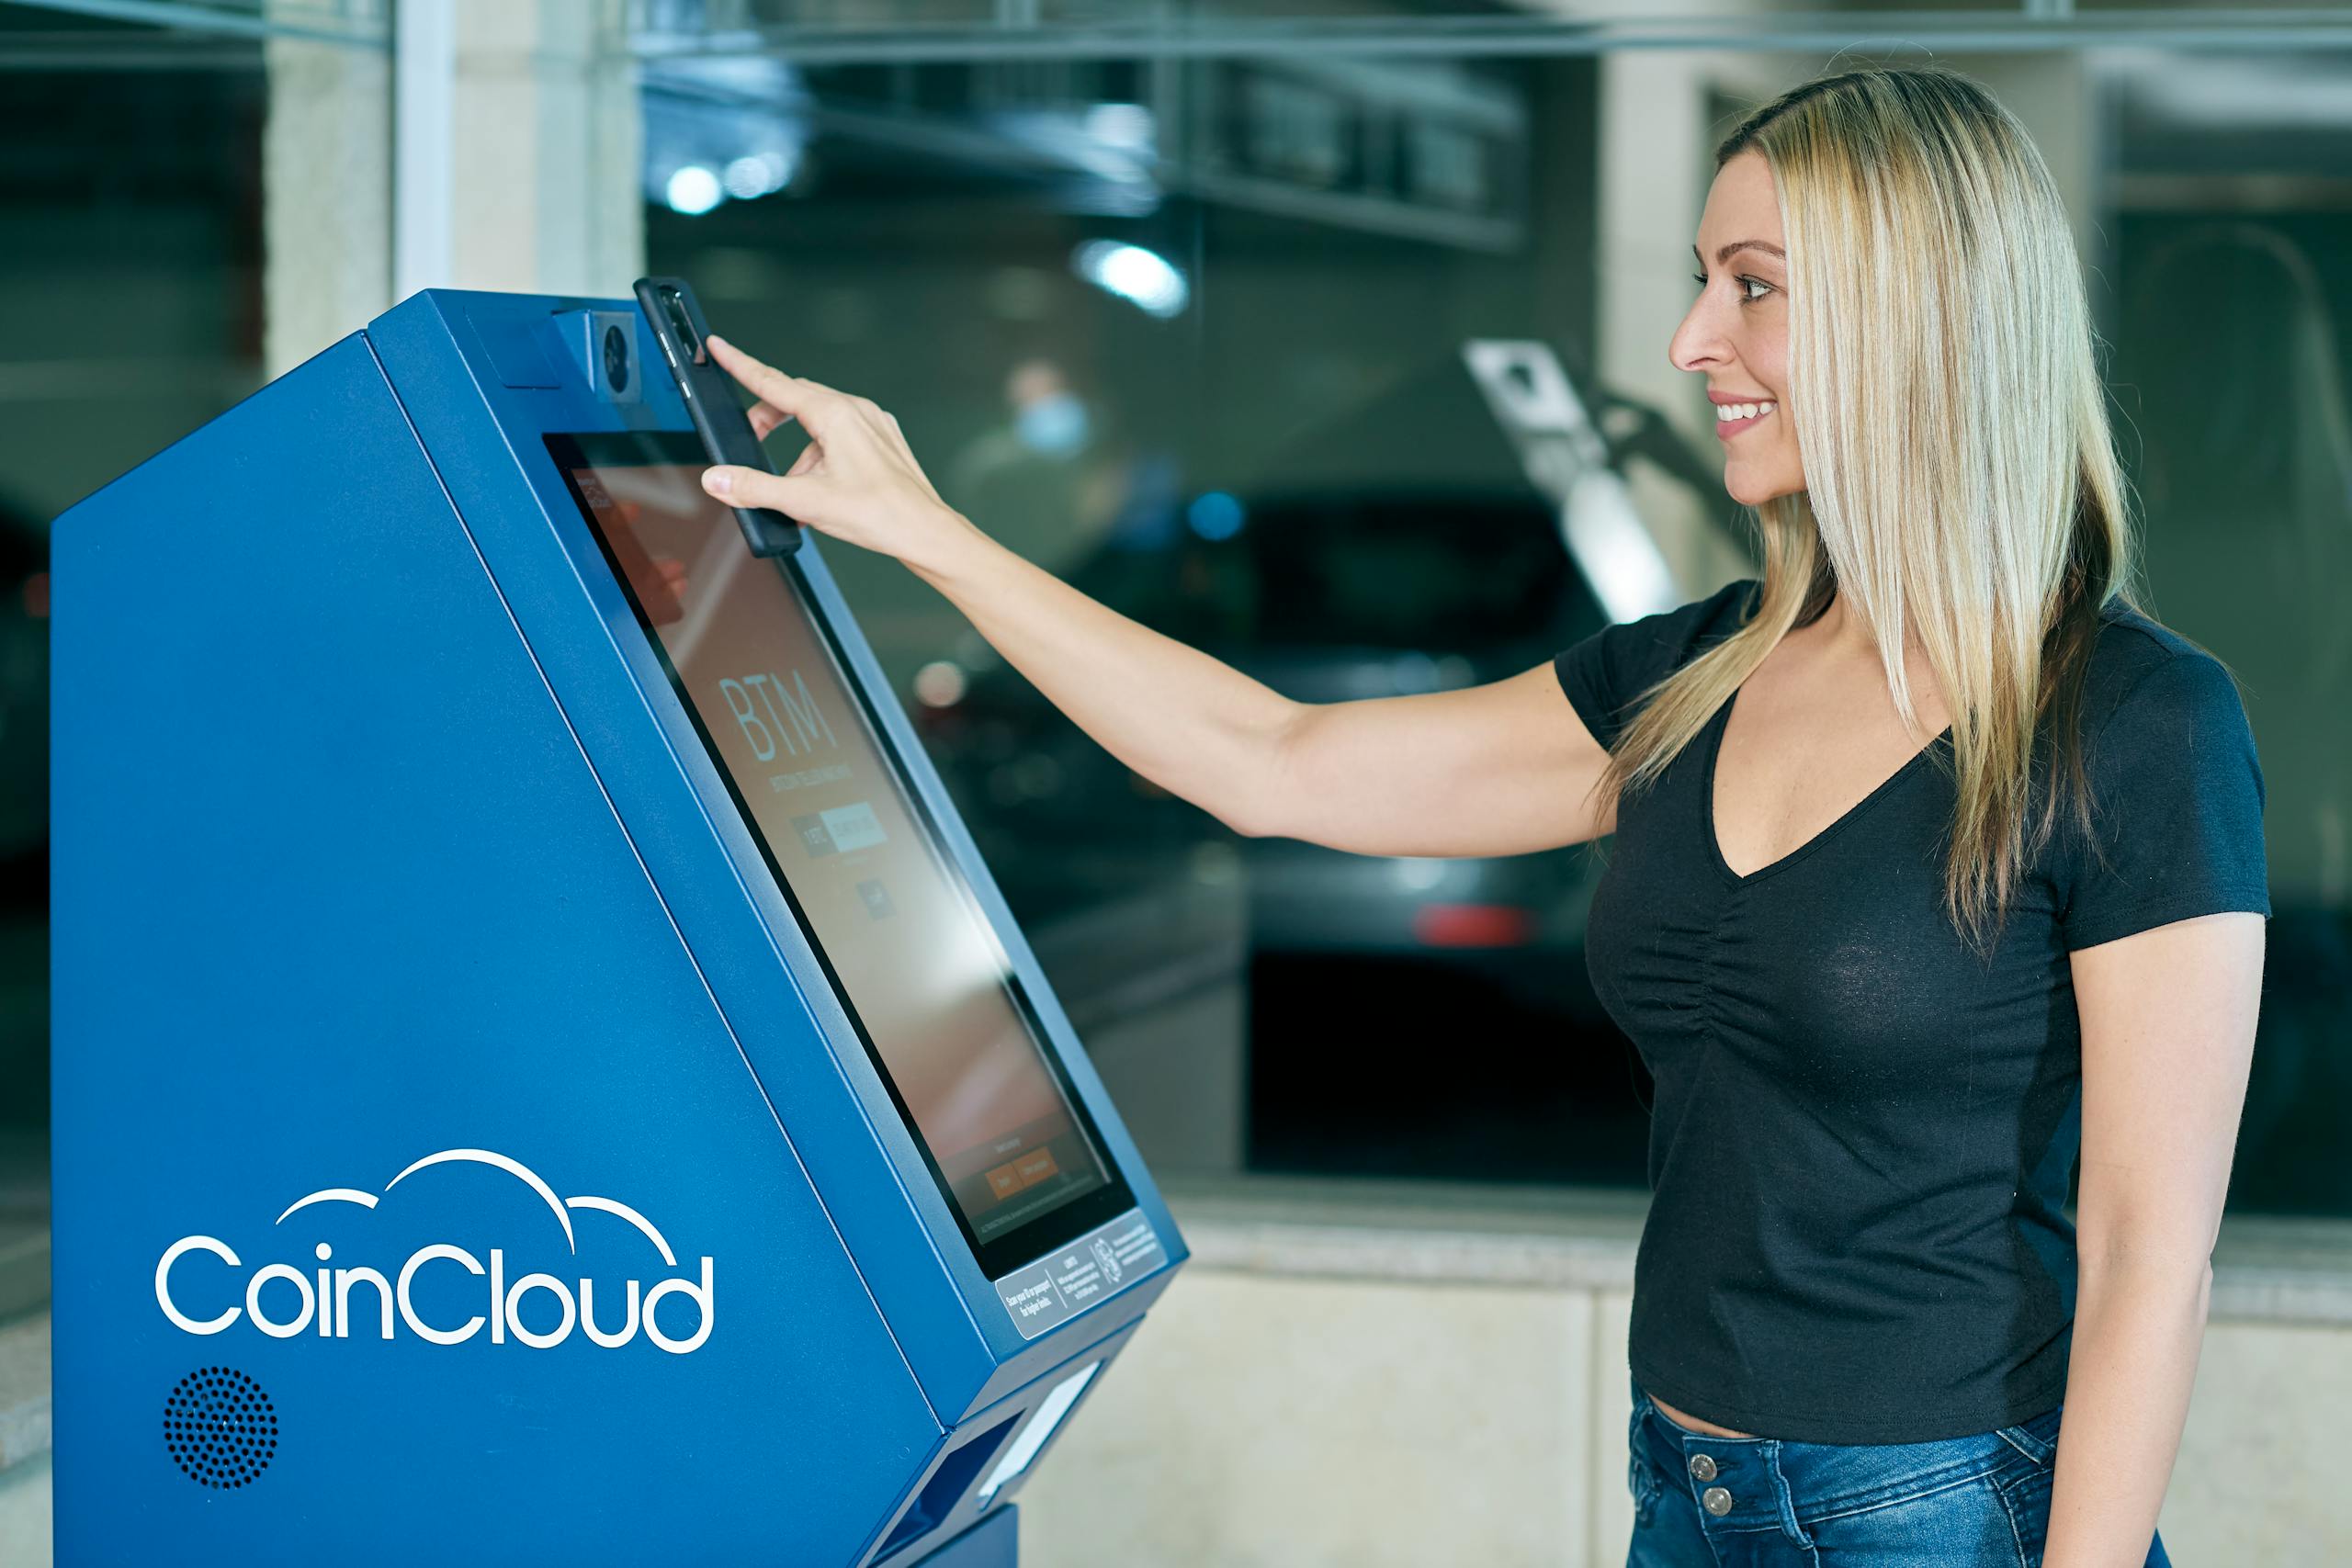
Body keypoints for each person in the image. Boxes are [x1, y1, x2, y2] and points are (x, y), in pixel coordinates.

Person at [693, 62, 2261, 1568]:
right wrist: (924, 531)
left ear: (1918, 317)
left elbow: (2145, 1262)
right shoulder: (1693, 678)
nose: (1692, 339)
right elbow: (1272, 757)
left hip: (1952, 1514)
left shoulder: (2133, 723)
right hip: (1689, 1492)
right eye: (1703, 283)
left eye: (1754, 287)